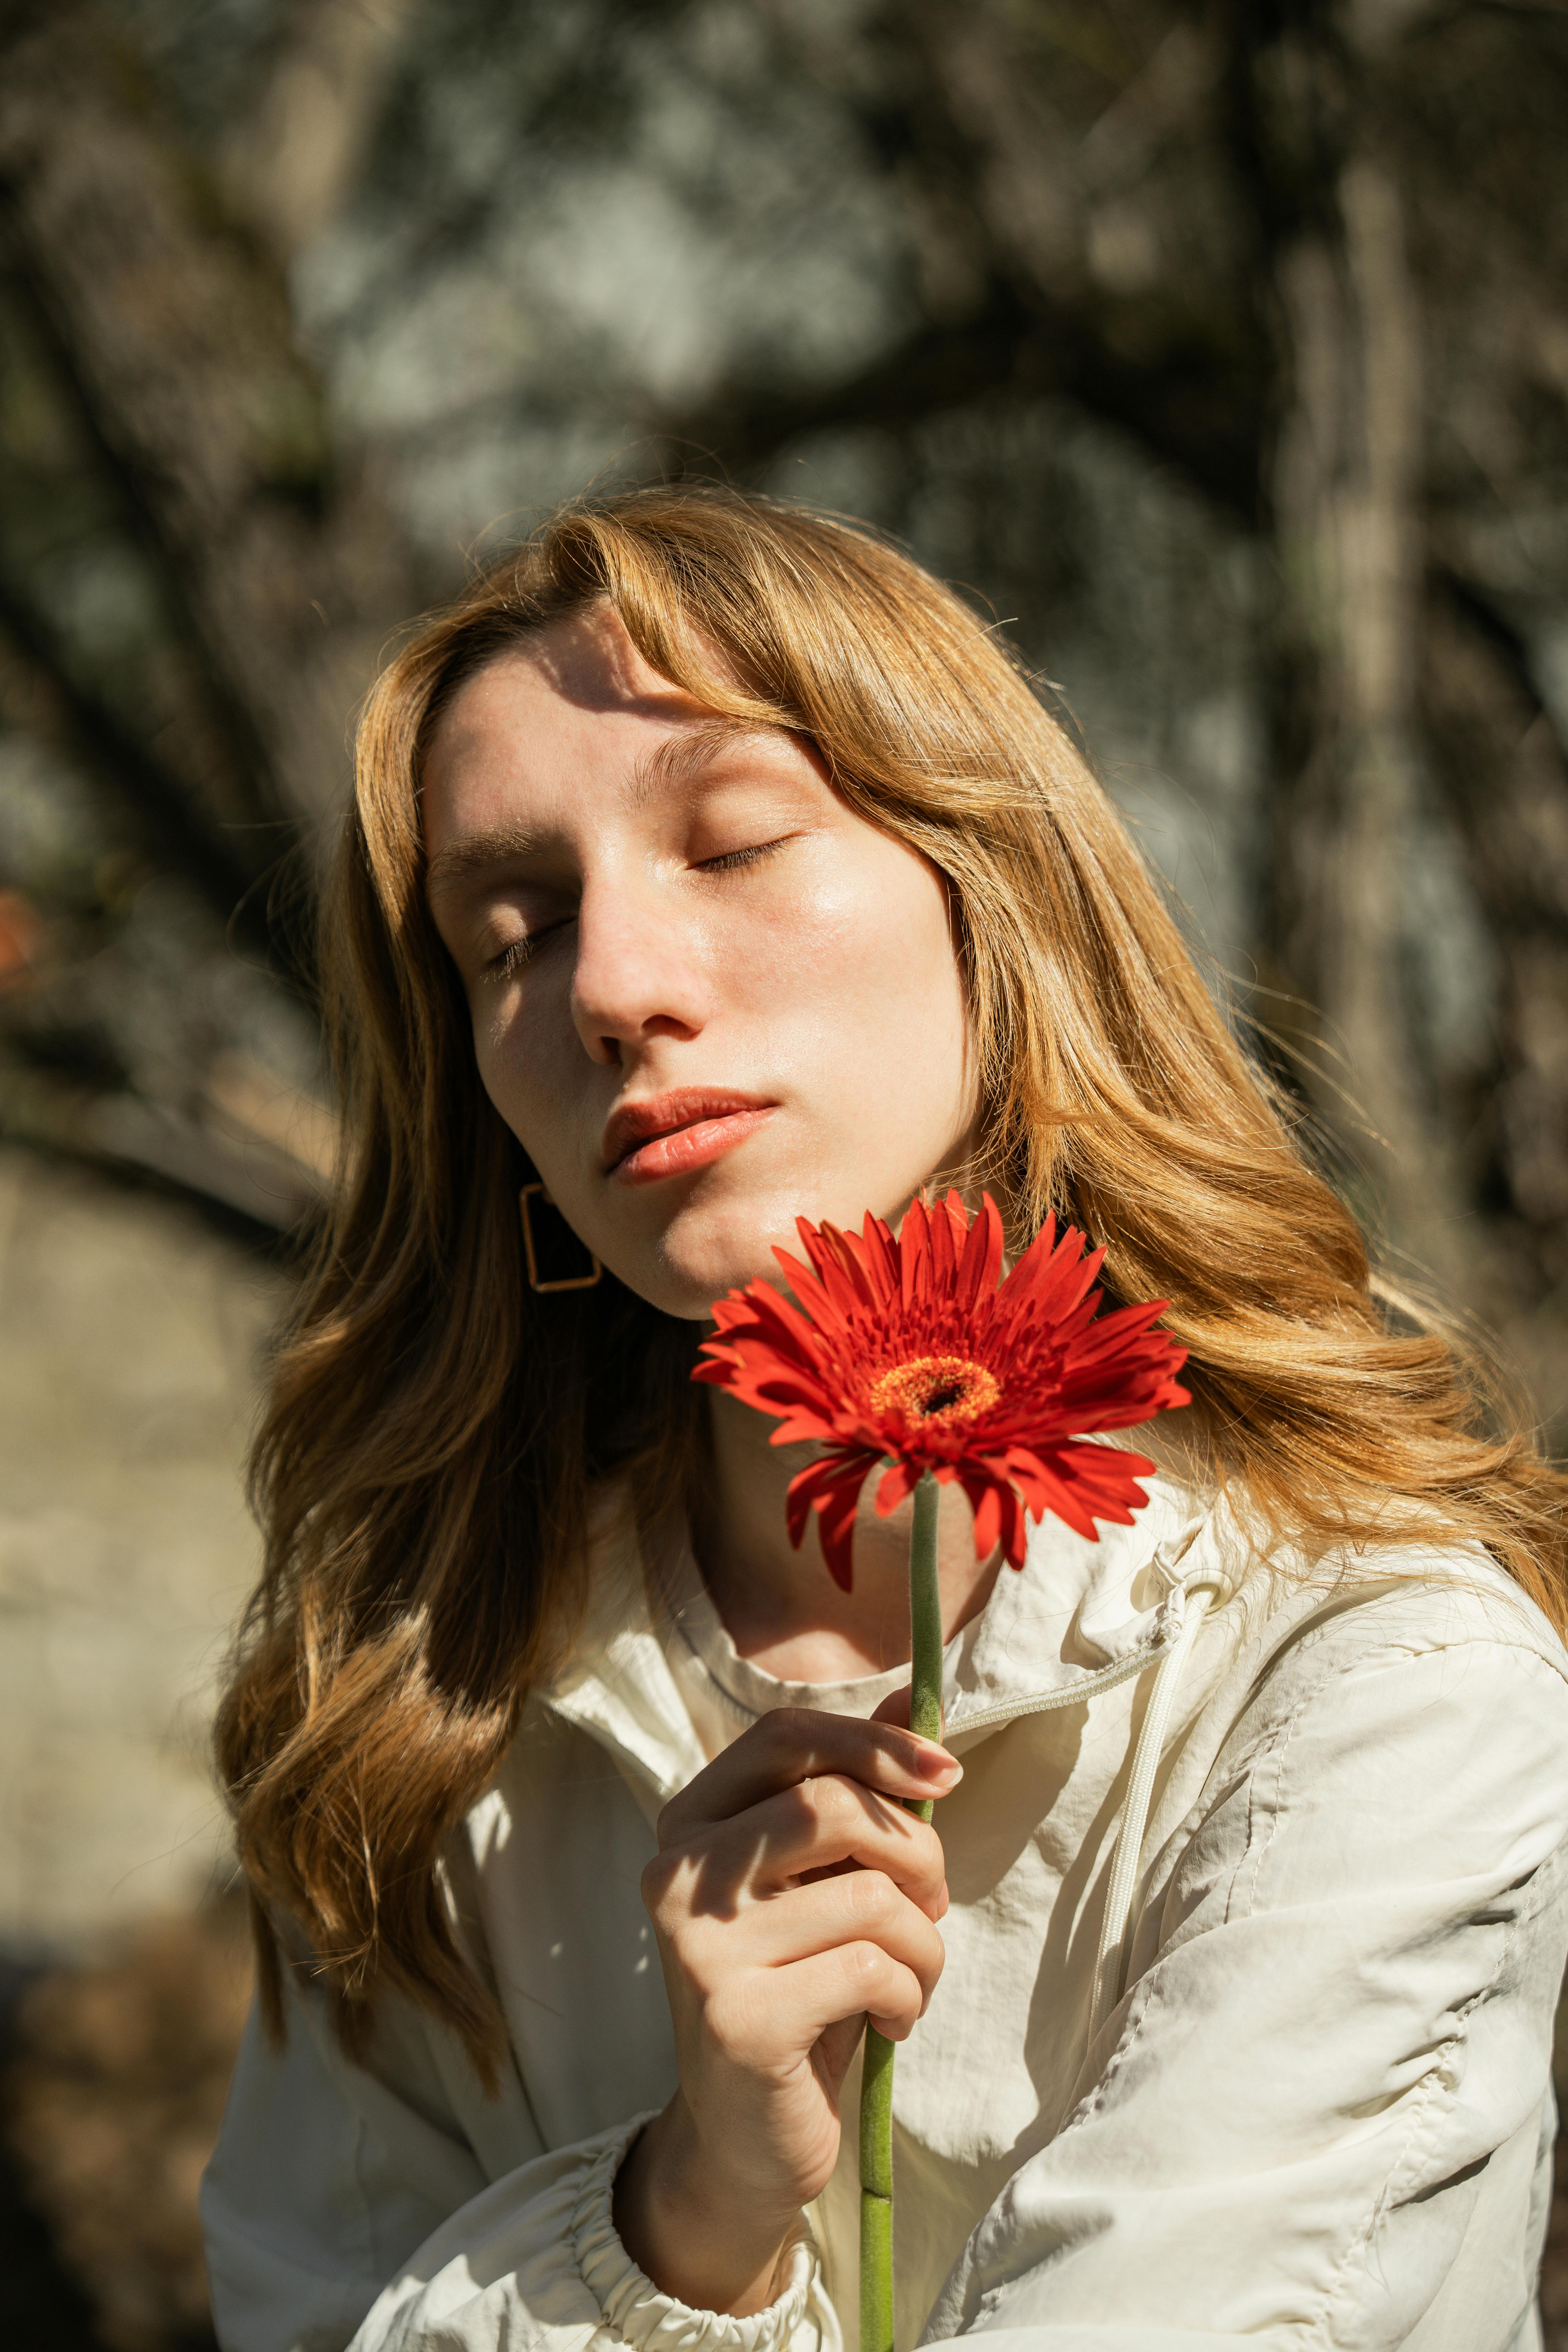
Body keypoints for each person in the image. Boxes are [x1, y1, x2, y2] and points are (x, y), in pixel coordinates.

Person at [200, 485, 1568, 2352]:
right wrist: (678, 2226)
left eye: (736, 840)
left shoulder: (1380, 1679)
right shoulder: (406, 1734)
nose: (607, 987)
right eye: (510, 932)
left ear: (996, 898)